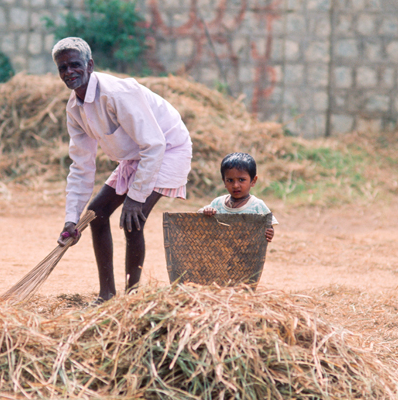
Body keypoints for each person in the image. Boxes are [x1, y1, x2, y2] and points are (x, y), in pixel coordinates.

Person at [52, 37, 193, 303]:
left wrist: (135, 197)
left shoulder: (117, 93)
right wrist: (72, 218)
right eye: (62, 68)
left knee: (132, 219)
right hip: (136, 157)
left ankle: (131, 300)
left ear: (90, 65)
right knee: (96, 215)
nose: (69, 72)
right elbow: (81, 166)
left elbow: (154, 144)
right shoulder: (74, 109)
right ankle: (106, 296)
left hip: (168, 148)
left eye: (75, 65)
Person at [199, 152, 278, 242]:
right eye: (230, 180)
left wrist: (269, 233)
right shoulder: (218, 203)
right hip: (221, 252)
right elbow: (198, 216)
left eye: (241, 180)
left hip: (248, 253)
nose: (235, 185)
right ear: (224, 181)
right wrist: (206, 212)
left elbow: (269, 225)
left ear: (253, 181)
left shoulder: (257, 205)